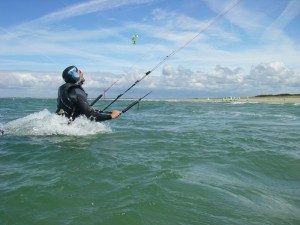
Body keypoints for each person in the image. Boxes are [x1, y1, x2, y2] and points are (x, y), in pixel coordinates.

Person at [56, 65, 121, 121]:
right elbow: (90, 115)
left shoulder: (63, 89)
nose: (82, 73)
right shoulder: (77, 91)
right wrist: (111, 116)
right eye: (79, 72)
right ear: (75, 75)